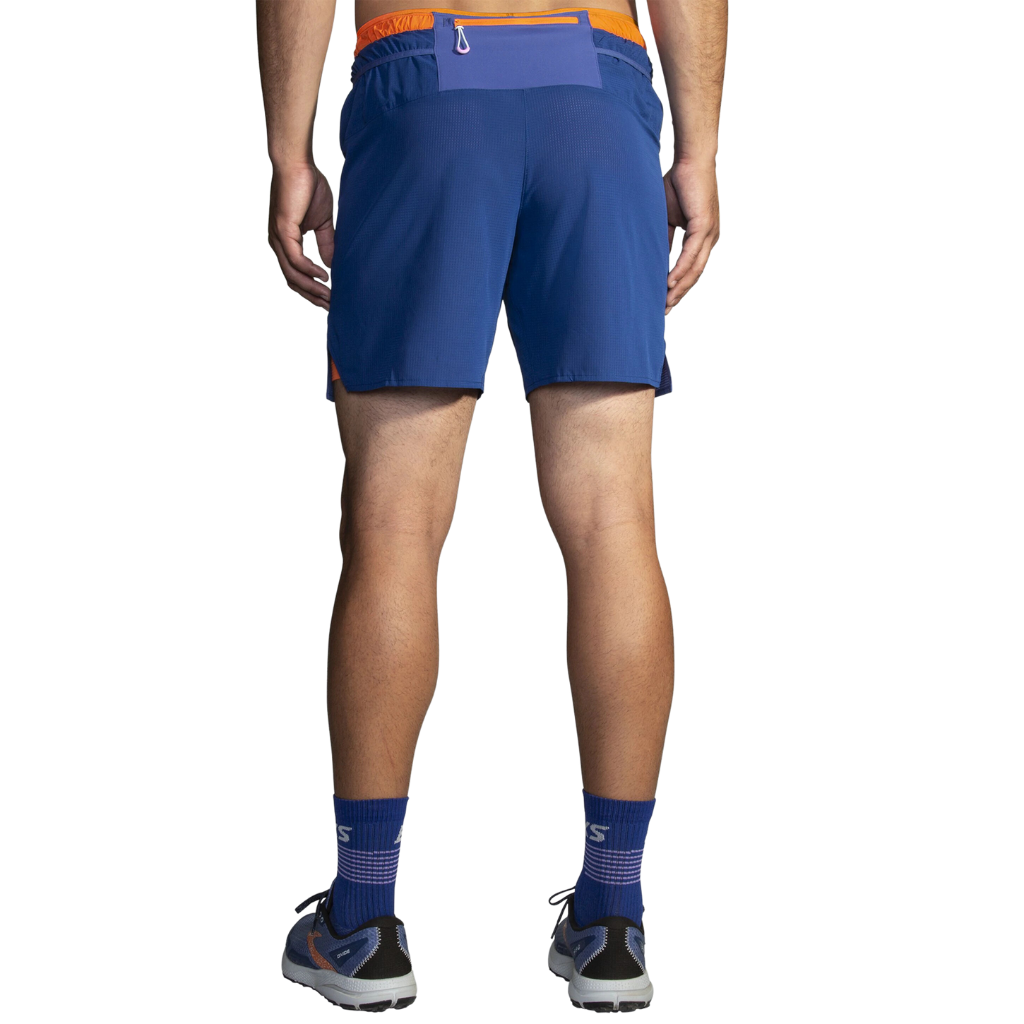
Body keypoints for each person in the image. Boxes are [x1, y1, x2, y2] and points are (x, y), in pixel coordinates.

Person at [257, 0, 726, 1012]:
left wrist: (289, 151)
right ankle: (612, 917)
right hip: (596, 85)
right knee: (613, 523)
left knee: (393, 526)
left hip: (427, 76)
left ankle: (362, 918)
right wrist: (699, 147)